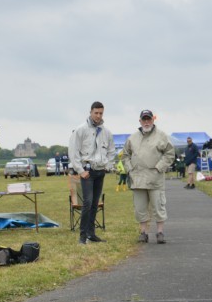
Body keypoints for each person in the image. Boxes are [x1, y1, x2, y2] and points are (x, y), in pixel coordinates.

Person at [123, 110, 175, 244]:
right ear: (140, 121)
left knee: (158, 206)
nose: (146, 122)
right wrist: (130, 169)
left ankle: (160, 232)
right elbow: (125, 155)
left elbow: (169, 154)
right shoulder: (132, 138)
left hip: (155, 178)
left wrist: (159, 167)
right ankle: (143, 233)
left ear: (153, 120)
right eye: (144, 119)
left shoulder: (161, 135)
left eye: (149, 119)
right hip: (138, 179)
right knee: (140, 208)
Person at [68, 101, 116, 244]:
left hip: (100, 171)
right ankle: (82, 236)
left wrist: (107, 165)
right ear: (90, 112)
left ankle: (91, 234)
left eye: (101, 113)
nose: (98, 115)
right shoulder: (81, 130)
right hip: (87, 171)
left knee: (95, 203)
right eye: (96, 113)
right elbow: (73, 151)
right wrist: (80, 170)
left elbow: (111, 151)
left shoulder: (106, 132)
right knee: (87, 202)